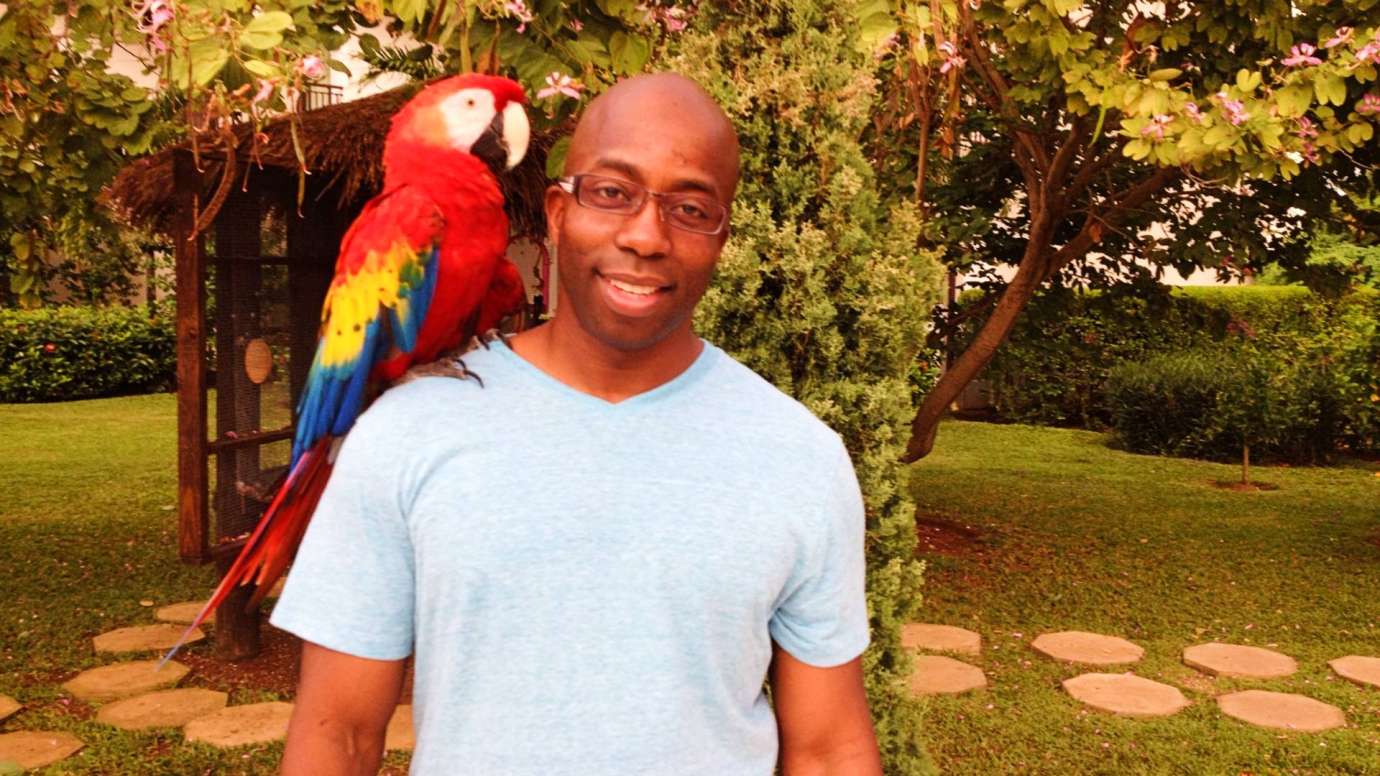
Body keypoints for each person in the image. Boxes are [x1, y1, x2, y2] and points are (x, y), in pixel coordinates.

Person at [272, 72, 883, 776]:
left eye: (690, 208)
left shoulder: (800, 456)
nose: (646, 236)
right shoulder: (406, 434)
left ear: (722, 239)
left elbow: (830, 749)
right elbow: (337, 735)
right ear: (558, 214)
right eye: (612, 193)